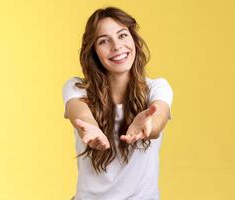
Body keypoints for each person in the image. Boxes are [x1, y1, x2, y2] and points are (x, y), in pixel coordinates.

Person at [62, 7, 173, 200]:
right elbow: (79, 113)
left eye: (122, 35)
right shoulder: (77, 87)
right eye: (104, 41)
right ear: (94, 51)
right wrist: (90, 128)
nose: (116, 46)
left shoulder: (157, 88)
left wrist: (149, 125)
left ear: (133, 41)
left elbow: (159, 116)